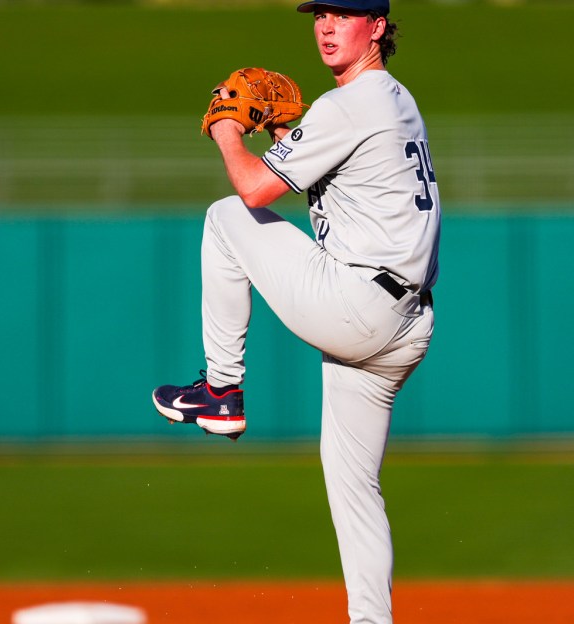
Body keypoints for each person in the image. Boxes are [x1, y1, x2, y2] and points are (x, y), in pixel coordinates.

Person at [151, 1, 439, 622]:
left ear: (379, 27)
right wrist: (290, 134)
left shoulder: (347, 106)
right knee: (353, 485)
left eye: (346, 13)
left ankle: (222, 389)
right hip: (406, 325)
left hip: (360, 305)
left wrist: (228, 124)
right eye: (321, 14)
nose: (328, 25)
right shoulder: (395, 99)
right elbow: (337, 182)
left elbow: (253, 189)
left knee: (226, 218)